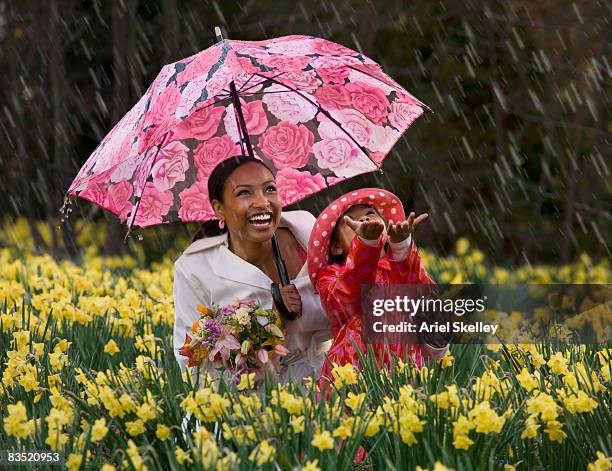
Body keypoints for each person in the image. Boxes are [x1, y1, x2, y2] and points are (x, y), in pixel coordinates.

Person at [172, 156, 331, 383]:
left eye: (269, 189)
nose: (262, 202)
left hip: (326, 384)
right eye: (244, 193)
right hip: (250, 402)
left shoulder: (309, 231)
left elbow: (352, 309)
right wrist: (272, 319)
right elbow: (194, 365)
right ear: (219, 209)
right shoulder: (195, 268)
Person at [306, 188, 448, 383]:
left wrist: (402, 246)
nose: (364, 221)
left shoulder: (398, 266)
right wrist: (366, 245)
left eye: (370, 214)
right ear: (336, 247)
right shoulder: (331, 276)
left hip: (404, 370)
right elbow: (345, 301)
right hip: (353, 372)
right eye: (350, 221)